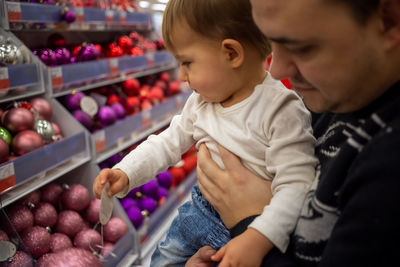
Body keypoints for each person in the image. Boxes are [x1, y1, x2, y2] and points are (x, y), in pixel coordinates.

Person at [93, 0, 318, 265]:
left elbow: (297, 185)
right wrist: (126, 171)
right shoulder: (201, 103)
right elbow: (167, 142)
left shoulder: (281, 110)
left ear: (231, 54)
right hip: (196, 213)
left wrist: (257, 236)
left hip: (254, 231)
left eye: (187, 62)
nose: (181, 76)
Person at [189, 0, 400, 266]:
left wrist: (250, 220)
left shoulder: (388, 165)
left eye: (301, 48)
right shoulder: (336, 98)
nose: (276, 71)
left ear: (389, 19)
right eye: (271, 43)